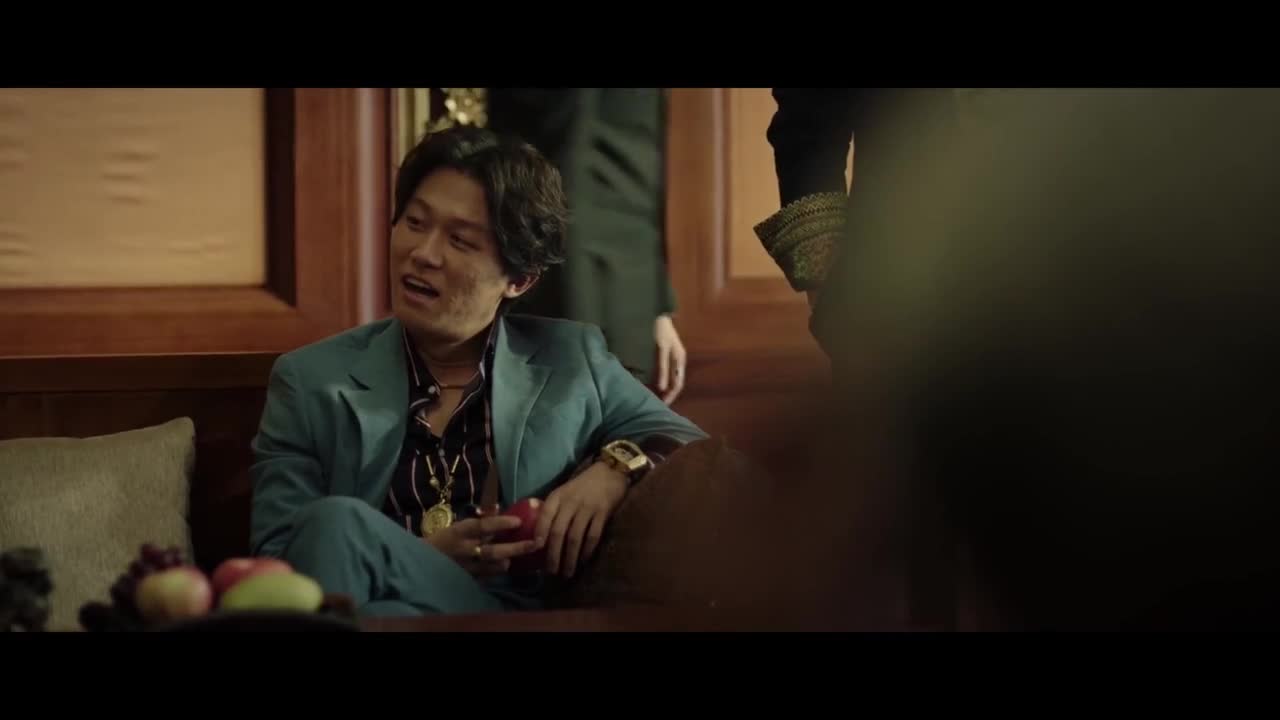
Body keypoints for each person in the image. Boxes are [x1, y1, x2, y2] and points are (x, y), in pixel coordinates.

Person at [755, 88, 1280, 630]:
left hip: (1131, 304)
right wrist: (828, 286)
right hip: (905, 316)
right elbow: (808, 125)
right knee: (918, 566)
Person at [248, 125, 707, 617]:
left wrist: (615, 469)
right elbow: (279, 555)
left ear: (519, 278)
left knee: (341, 530)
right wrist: (424, 556)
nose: (423, 253)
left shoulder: (571, 360)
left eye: (460, 240)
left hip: (515, 616)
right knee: (340, 534)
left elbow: (689, 444)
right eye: (415, 223)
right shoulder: (311, 379)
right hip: (374, 607)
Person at [486, 88, 688, 404]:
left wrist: (658, 308)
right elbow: (553, 161)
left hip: (629, 283)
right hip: (551, 275)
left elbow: (645, 177)